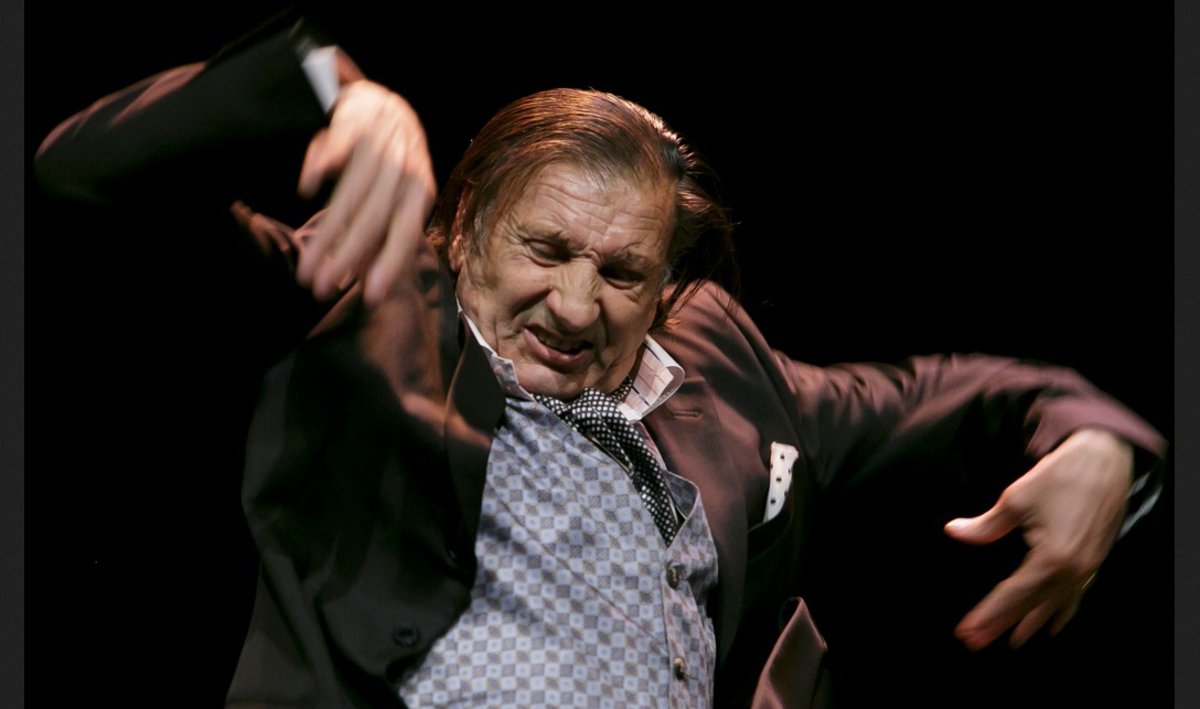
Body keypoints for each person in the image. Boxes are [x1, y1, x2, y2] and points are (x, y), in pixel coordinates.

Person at [34, 16, 1168, 708]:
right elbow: (80, 181)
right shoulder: (361, 304)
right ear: (466, 230)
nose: (577, 306)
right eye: (546, 250)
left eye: (623, 273)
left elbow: (943, 396)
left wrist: (1097, 441)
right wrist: (328, 85)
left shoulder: (720, 368)